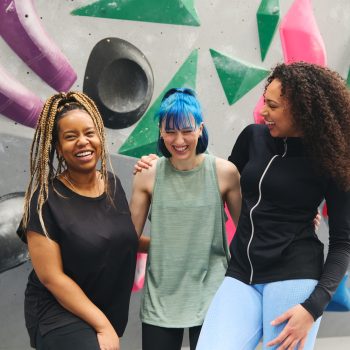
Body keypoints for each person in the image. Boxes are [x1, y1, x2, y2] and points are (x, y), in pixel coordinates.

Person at [194, 62, 350, 350]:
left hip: (294, 277)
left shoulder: (331, 160)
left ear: (301, 110)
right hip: (242, 272)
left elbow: (343, 244)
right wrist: (162, 164)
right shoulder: (253, 137)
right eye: (265, 102)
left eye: (273, 106)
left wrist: (312, 308)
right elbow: (216, 184)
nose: (263, 111)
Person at [17, 91, 138, 350]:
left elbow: (119, 238)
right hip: (57, 310)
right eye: (70, 137)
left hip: (99, 307)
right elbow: (52, 277)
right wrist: (103, 326)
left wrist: (171, 244)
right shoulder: (44, 200)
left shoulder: (113, 184)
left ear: (100, 138)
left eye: (89, 133)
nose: (82, 142)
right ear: (59, 148)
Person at [129, 88, 242, 350]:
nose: (179, 140)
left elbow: (249, 233)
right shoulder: (148, 175)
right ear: (160, 132)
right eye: (170, 131)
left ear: (200, 129)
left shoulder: (225, 172)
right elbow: (128, 238)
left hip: (213, 293)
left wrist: (300, 220)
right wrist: (164, 246)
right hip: (162, 297)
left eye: (187, 130)